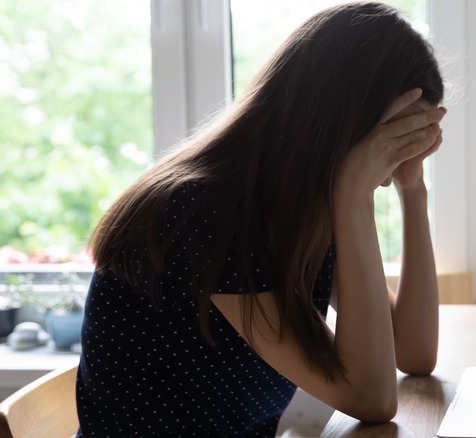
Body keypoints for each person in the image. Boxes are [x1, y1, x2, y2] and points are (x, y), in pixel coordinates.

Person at [75, 2, 446, 436]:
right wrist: (353, 193)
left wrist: (413, 188)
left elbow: (414, 353)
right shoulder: (205, 213)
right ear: (343, 122)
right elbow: (372, 398)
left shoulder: (301, 209)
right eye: (393, 142)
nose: (388, 167)